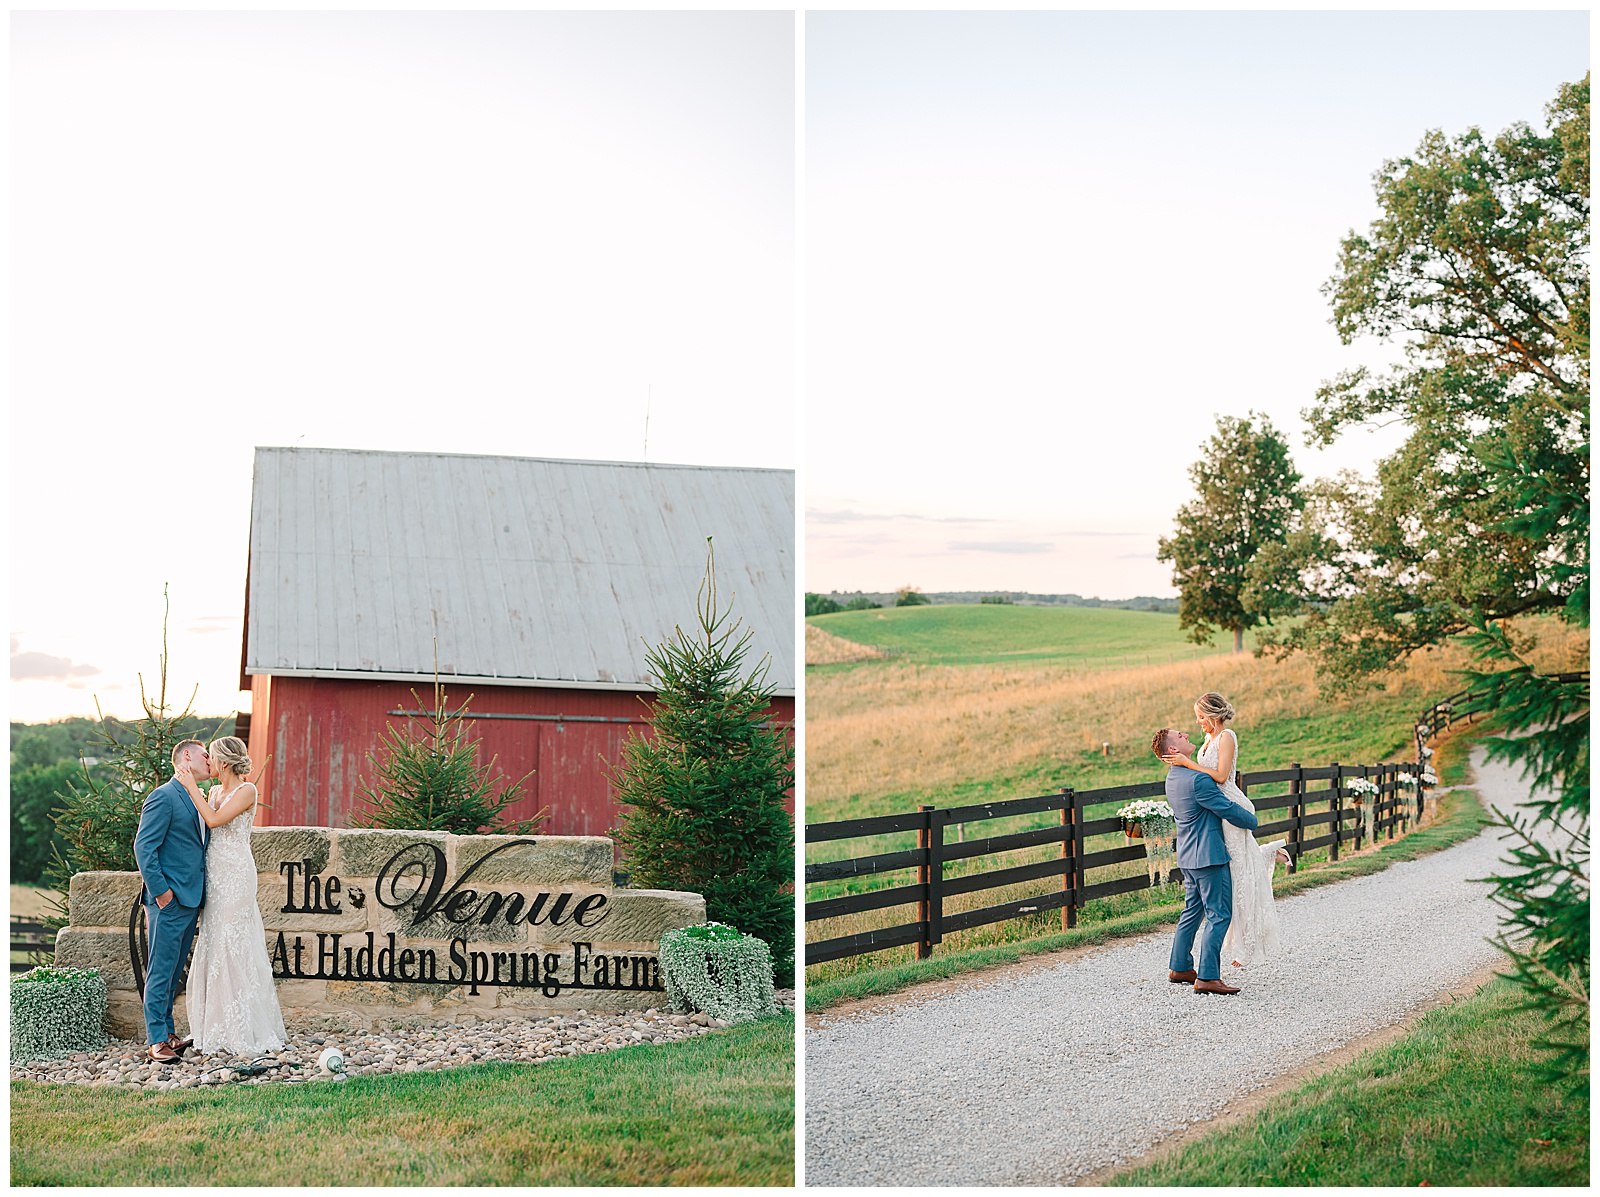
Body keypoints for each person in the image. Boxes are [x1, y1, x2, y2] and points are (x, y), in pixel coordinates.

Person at [174, 735, 286, 1056]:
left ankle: (243, 1028)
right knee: (213, 941)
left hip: (236, 875)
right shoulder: (214, 791)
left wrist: (190, 787)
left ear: (224, 762)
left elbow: (214, 819)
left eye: (212, 757)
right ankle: (215, 1026)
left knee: (233, 942)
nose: (208, 762)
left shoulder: (246, 791)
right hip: (214, 875)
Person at [1161, 692, 1286, 968]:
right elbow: (1205, 781)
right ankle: (1221, 956)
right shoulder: (1206, 742)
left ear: (1213, 716)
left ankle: (1247, 945)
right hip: (1217, 811)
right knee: (1232, 878)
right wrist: (1188, 763)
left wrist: (1186, 762)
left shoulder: (1227, 736)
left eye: (1201, 717)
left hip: (1229, 806)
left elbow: (1219, 776)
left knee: (1240, 875)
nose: (1198, 723)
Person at [1155, 726, 1258, 995]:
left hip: (1188, 856)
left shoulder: (1173, 778)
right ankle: (1208, 977)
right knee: (1219, 914)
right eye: (1180, 737)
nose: (1186, 735)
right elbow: (1226, 809)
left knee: (1192, 911)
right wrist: (1252, 820)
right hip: (1209, 857)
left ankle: (1179, 967)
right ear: (1173, 750)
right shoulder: (1197, 780)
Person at [132, 739, 211, 1062]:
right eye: (206, 755)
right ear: (187, 757)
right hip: (169, 900)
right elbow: (144, 847)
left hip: (191, 899)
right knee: (161, 971)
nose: (210, 761)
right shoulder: (163, 797)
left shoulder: (195, 796)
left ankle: (168, 1034)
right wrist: (162, 893)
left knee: (175, 971)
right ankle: (156, 1040)